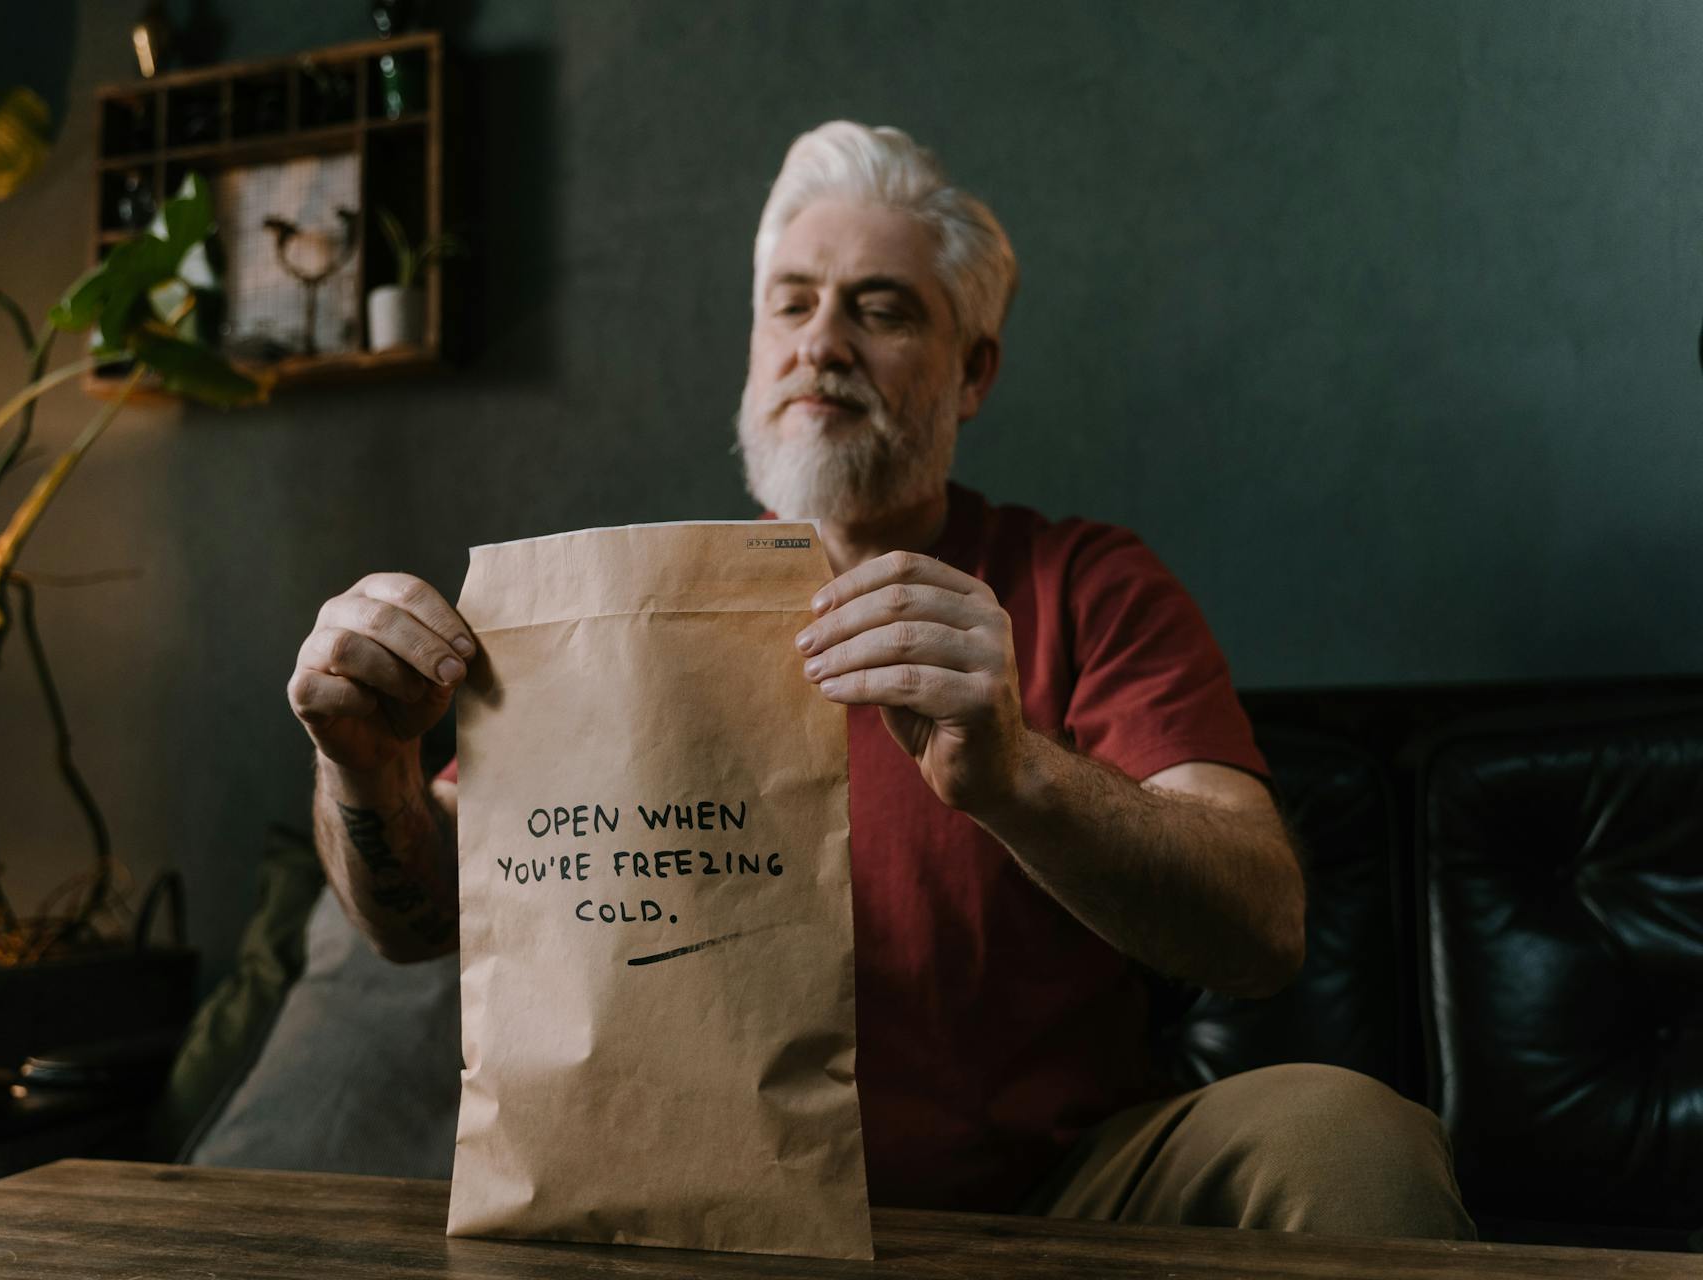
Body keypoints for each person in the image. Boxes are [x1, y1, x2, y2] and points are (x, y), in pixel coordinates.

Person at [286, 120, 1474, 1239]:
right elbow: (418, 919)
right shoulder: (624, 607)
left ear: (972, 372)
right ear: (754, 351)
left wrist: (1015, 775)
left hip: (1063, 1194)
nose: (822, 341)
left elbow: (1262, 925)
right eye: (791, 303)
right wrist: (365, 766)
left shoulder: (1084, 583)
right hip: (711, 1196)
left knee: (1349, 1136)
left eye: (882, 308)